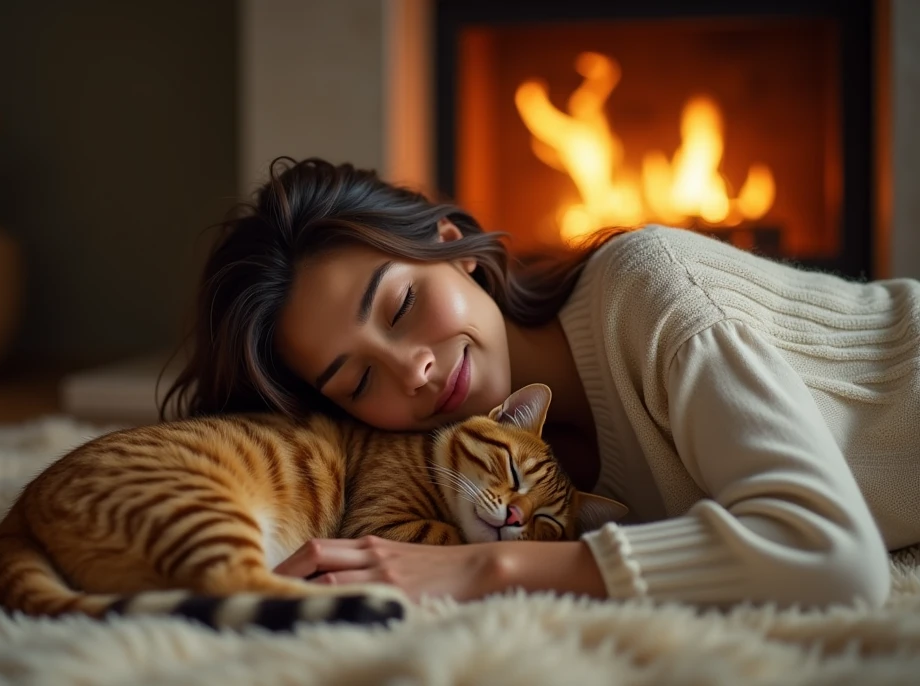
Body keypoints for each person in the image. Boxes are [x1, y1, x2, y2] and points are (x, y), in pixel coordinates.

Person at [162, 157, 920, 609]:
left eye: (400, 305)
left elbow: (834, 559)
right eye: (358, 380)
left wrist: (485, 568)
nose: (412, 369)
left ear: (453, 250)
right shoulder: (468, 479)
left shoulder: (653, 289)